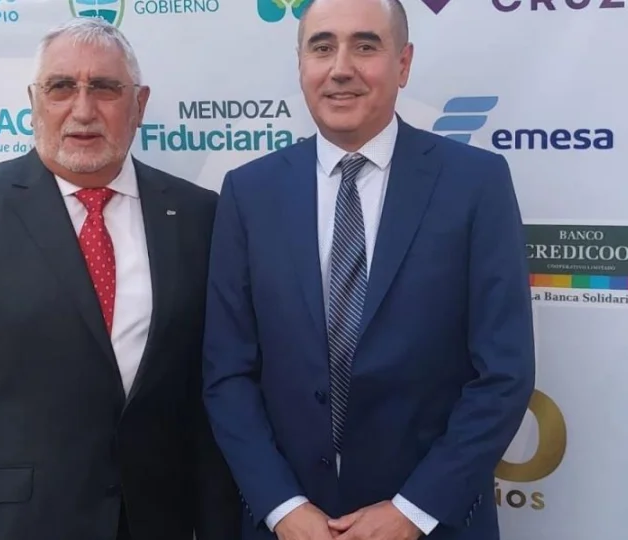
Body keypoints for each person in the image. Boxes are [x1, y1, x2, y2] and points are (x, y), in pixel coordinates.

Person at [0, 17, 239, 540]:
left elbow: (211, 404)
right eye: (61, 87)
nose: (83, 109)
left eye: (105, 88)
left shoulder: (198, 216)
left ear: (139, 105)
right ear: (34, 101)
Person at [201, 0, 536, 538]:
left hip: (432, 525)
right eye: (322, 47)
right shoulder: (248, 192)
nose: (341, 68)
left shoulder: (476, 185)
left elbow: (504, 374)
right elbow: (227, 374)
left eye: (365, 45)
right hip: (290, 526)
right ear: (301, 65)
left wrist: (414, 511)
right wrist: (282, 507)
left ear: (403, 64)